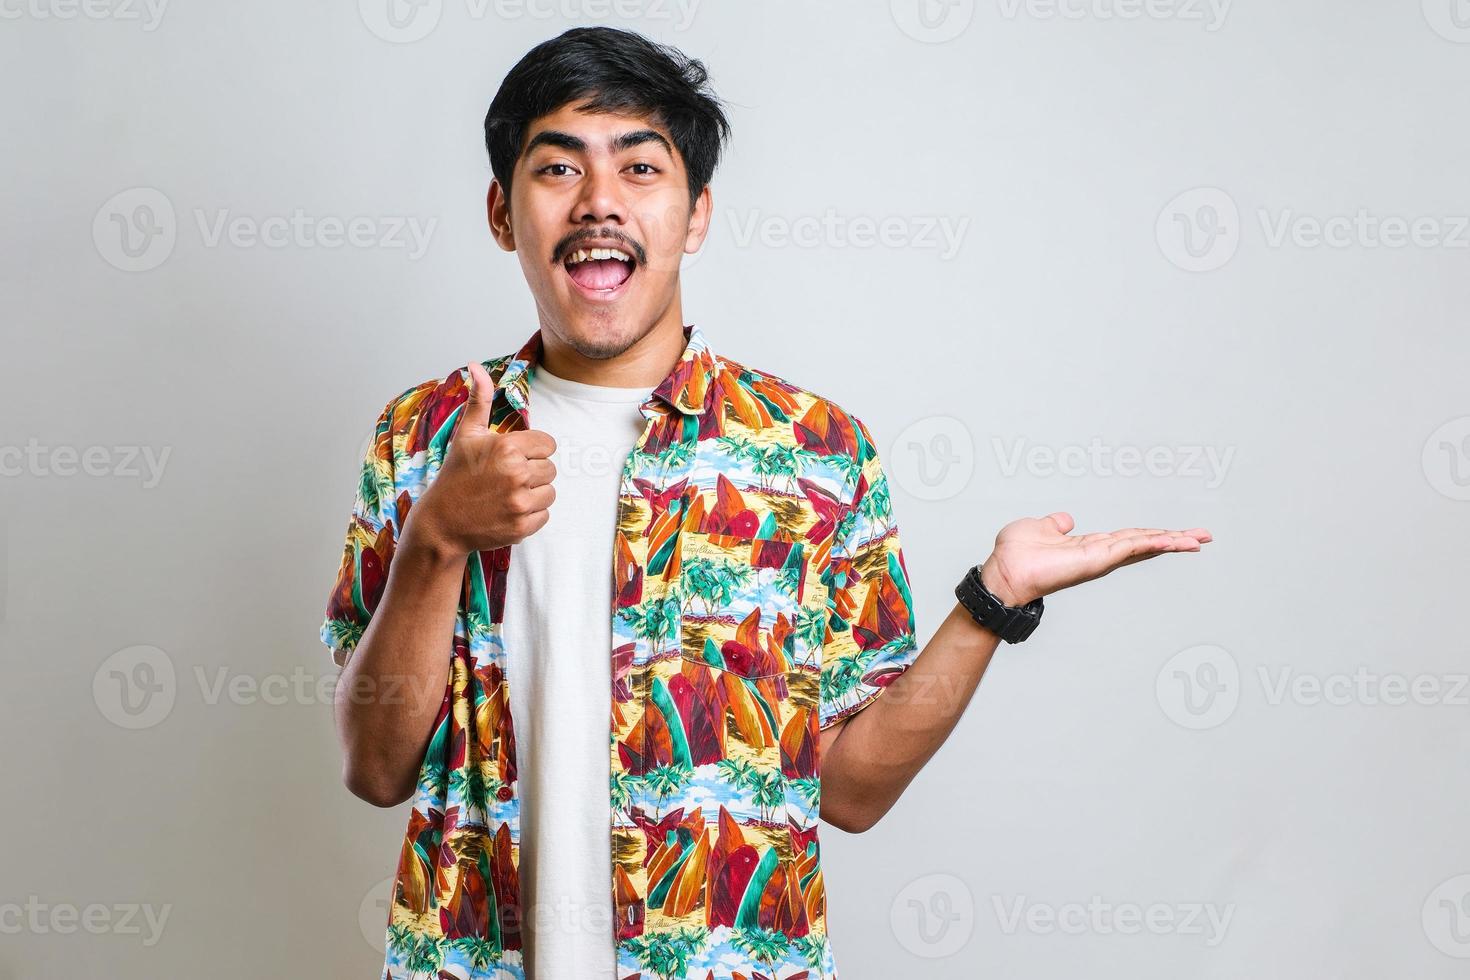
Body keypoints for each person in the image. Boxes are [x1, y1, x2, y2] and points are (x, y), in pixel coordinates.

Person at [320, 25, 1212, 980]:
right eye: (558, 168)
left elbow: (853, 790)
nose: (600, 203)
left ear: (696, 214)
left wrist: (991, 601)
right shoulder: (427, 436)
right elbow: (377, 770)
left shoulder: (813, 453)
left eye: (641, 168)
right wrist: (438, 538)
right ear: (503, 212)